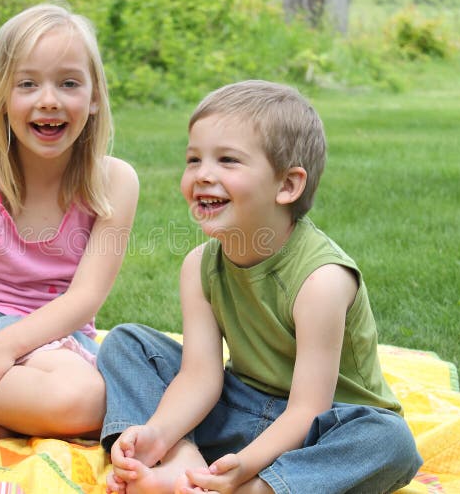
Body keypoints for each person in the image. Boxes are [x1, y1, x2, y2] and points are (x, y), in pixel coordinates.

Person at [97, 80, 422, 493]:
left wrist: (245, 467)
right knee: (129, 344)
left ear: (287, 186)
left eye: (228, 160)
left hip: (323, 428)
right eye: (194, 159)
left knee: (390, 442)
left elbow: (308, 409)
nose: (203, 175)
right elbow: (199, 377)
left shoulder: (321, 280)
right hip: (242, 406)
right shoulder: (199, 265)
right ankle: (182, 462)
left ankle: (257, 489)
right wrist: (159, 432)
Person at [0, 2, 139, 444]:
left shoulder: (115, 181)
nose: (49, 100)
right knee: (90, 403)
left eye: (69, 83)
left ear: (95, 97)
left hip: (59, 334)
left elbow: (85, 298)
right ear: (2, 97)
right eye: (28, 84)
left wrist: (11, 348)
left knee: (123, 394)